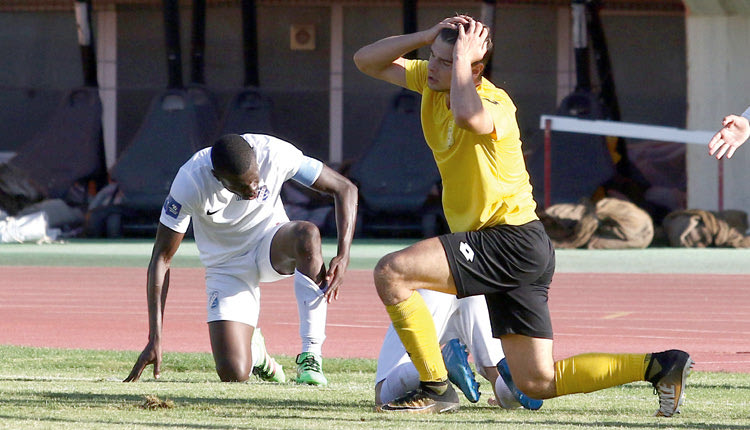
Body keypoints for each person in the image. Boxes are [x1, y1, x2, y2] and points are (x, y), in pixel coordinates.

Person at [354, 14, 693, 415]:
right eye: (434, 57)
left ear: (473, 67)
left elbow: (468, 115)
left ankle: (435, 388)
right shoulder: (433, 81)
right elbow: (366, 60)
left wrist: (461, 60)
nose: (434, 67)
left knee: (392, 272)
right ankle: (660, 365)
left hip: (507, 239)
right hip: (516, 247)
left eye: (448, 61)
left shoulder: (495, 103)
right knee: (537, 381)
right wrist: (428, 36)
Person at [124, 133, 358, 386]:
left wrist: (344, 255)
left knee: (307, 234)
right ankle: (258, 354)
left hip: (272, 243)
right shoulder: (191, 180)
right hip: (226, 266)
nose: (253, 191)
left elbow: (345, 188)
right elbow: (161, 258)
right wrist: (154, 338)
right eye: (242, 187)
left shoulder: (275, 153)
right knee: (234, 373)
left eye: (255, 181)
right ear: (217, 177)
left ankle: (311, 355)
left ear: (257, 162)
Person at [375, 289, 543, 411]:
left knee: (383, 392)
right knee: (497, 375)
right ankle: (516, 388)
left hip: (430, 288)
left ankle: (442, 364)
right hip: (477, 287)